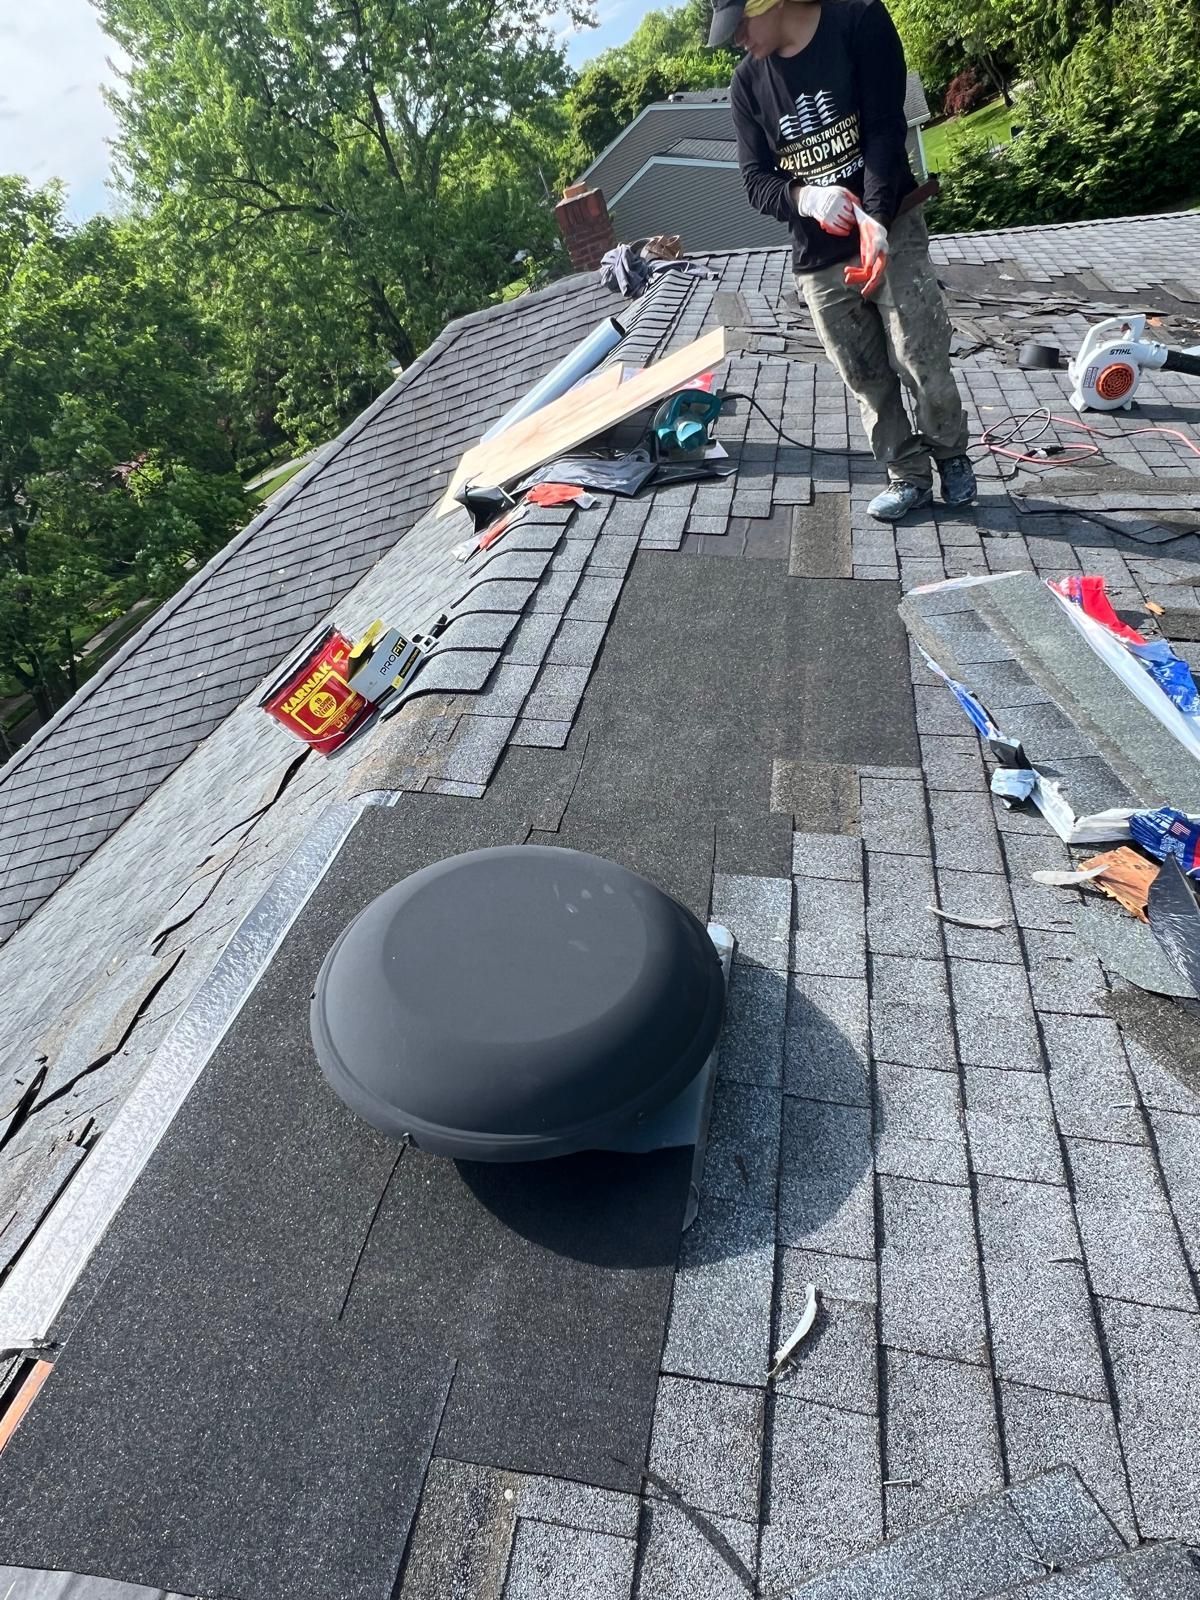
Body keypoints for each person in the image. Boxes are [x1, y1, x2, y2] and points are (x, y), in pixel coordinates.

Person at [714, 0, 976, 522]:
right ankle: (907, 476)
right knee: (864, 374)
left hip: (891, 227)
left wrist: (875, 217)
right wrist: (807, 198)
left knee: (919, 356)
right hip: (820, 258)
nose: (737, 40)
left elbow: (884, 128)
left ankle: (950, 455)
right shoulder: (747, 86)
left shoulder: (858, 22)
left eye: (741, 25)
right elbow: (754, 182)